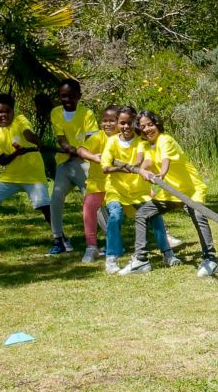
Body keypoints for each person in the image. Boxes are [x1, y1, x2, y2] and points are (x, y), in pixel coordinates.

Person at [122, 110, 218, 277]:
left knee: (198, 215)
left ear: (157, 124)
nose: (147, 129)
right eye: (143, 126)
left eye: (150, 125)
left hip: (190, 189)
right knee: (143, 214)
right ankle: (141, 260)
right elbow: (145, 161)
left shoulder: (166, 140)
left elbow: (165, 160)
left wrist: (162, 174)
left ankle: (210, 259)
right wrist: (140, 170)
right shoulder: (145, 144)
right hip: (169, 191)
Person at [0, 95, 51, 251]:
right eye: (0, 112)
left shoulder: (20, 119)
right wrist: (17, 153)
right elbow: (2, 161)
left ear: (13, 111)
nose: (4, 115)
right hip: (11, 176)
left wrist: (38, 142)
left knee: (44, 205)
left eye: (8, 111)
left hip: (32, 174)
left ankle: (60, 237)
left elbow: (28, 133)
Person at [99, 106, 154, 275]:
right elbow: (105, 167)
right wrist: (121, 169)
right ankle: (112, 257)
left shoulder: (140, 141)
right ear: (117, 124)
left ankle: (167, 251)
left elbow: (142, 157)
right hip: (116, 190)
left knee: (154, 215)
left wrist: (135, 166)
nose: (126, 127)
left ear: (135, 123)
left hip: (137, 190)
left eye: (130, 123)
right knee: (115, 215)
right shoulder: (112, 141)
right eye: (122, 123)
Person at [62, 104, 119, 264]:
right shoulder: (98, 137)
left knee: (124, 211)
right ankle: (91, 247)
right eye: (105, 120)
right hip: (97, 182)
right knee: (88, 208)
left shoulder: (122, 138)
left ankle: (162, 236)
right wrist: (94, 157)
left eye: (112, 120)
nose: (108, 124)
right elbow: (81, 150)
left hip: (118, 183)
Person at [46, 79, 97, 256]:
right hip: (64, 161)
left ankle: (107, 237)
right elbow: (61, 137)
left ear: (79, 96)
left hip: (83, 163)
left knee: (91, 199)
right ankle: (58, 238)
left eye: (71, 96)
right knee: (56, 197)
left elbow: (92, 138)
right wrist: (70, 149)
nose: (67, 99)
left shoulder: (87, 113)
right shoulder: (56, 112)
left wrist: (82, 152)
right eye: (63, 96)